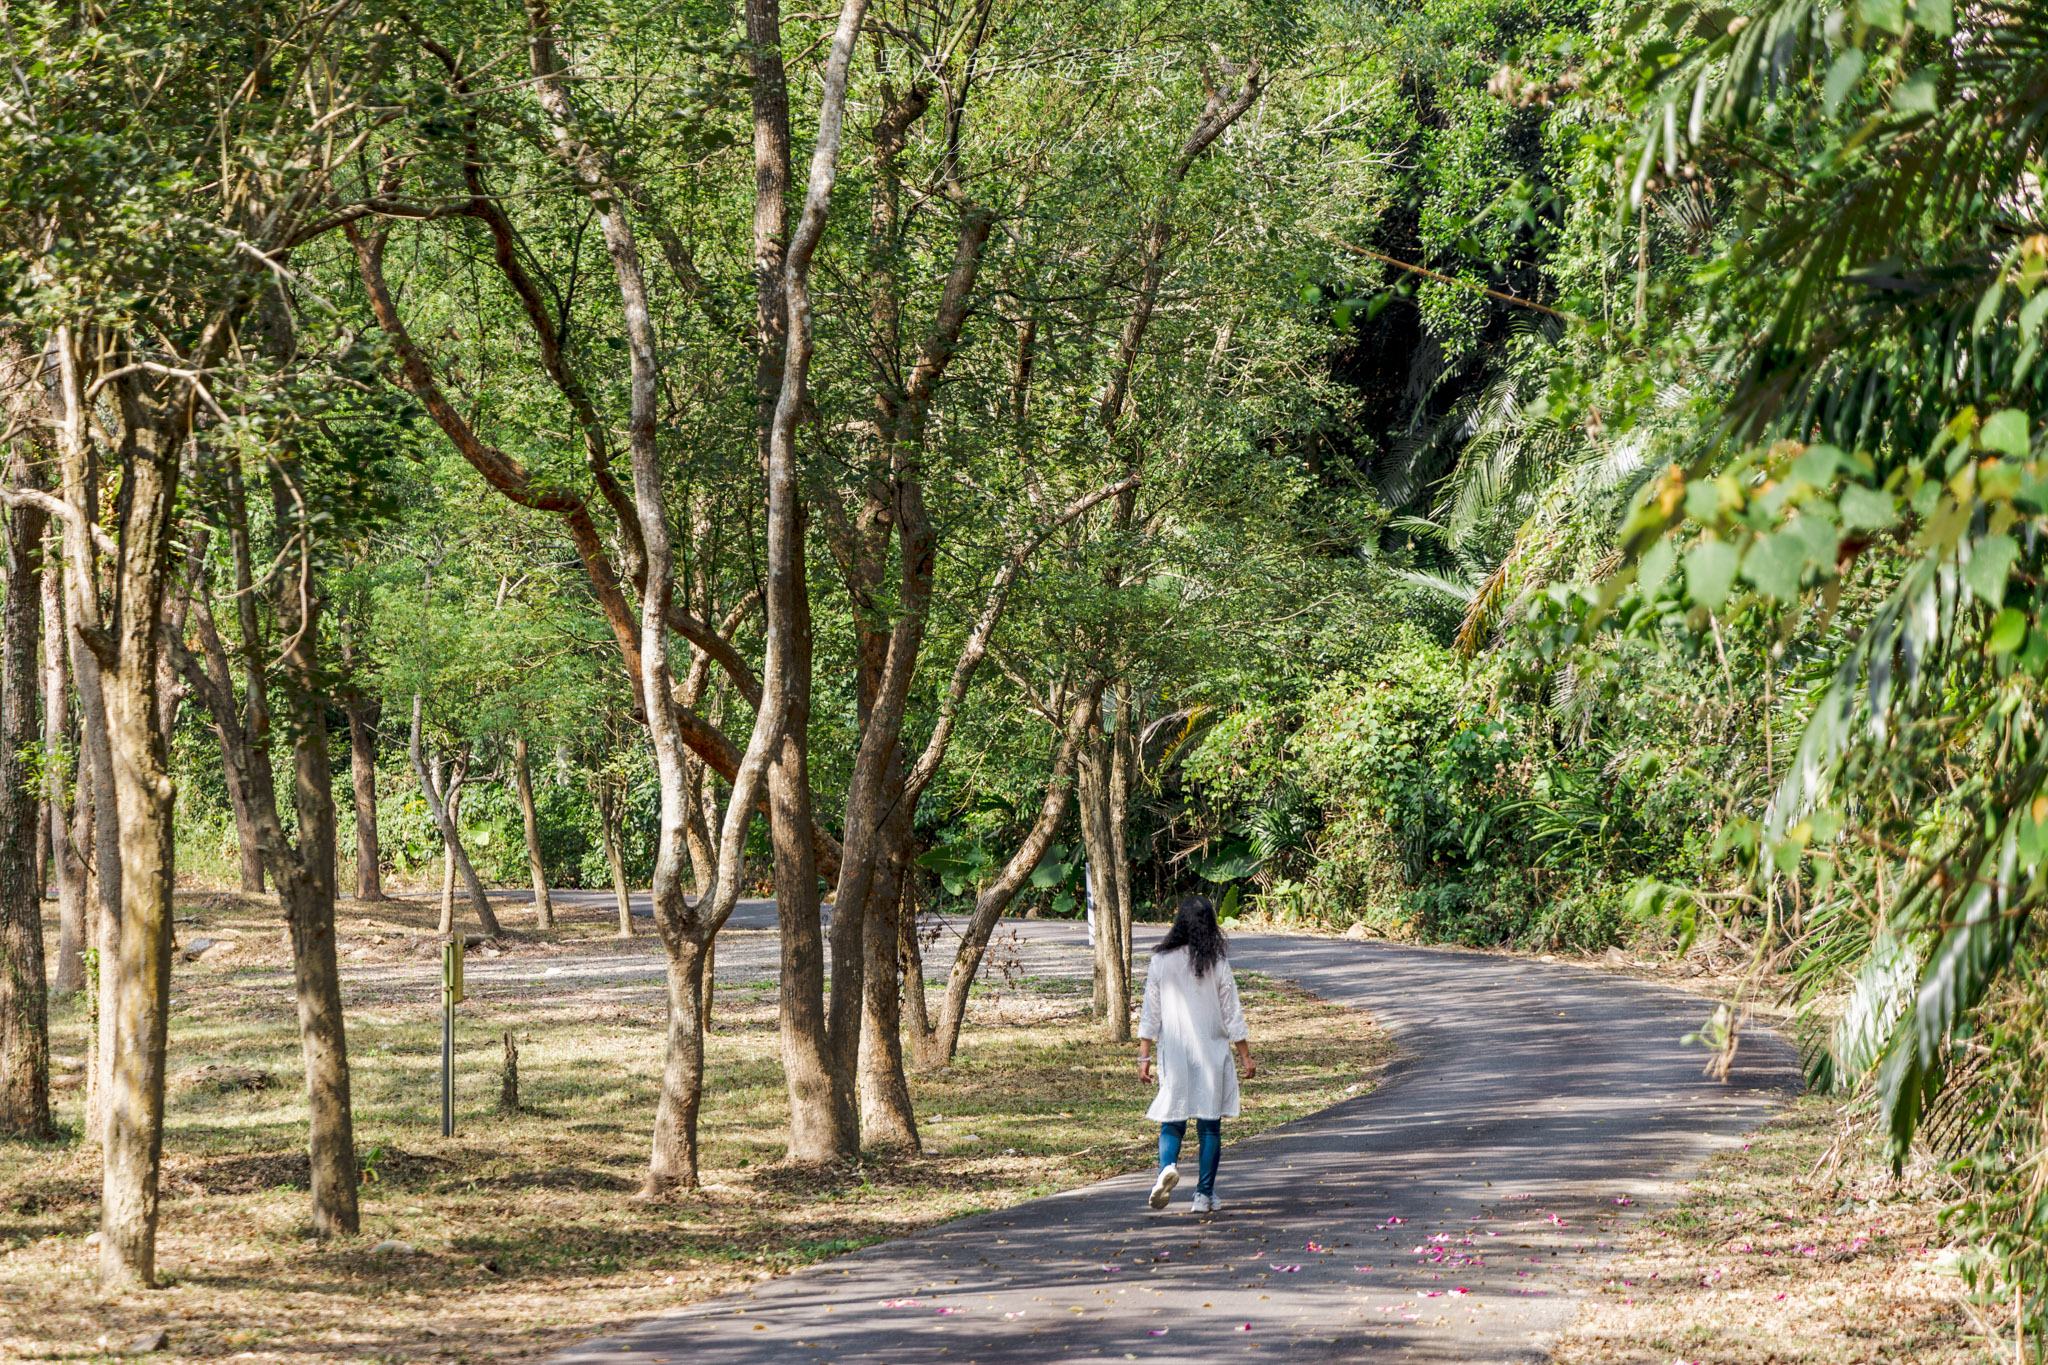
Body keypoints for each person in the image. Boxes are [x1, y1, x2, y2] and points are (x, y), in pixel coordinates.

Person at [1137, 893, 1255, 1215]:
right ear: (1211, 924)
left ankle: (1167, 1167)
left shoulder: (1161, 960)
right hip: (1211, 1051)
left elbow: (1151, 1011)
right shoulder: (1217, 962)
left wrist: (1144, 1056)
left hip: (1174, 1053)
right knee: (1209, 1125)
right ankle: (1203, 1195)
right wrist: (1245, 1056)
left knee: (1172, 1119)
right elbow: (1233, 1013)